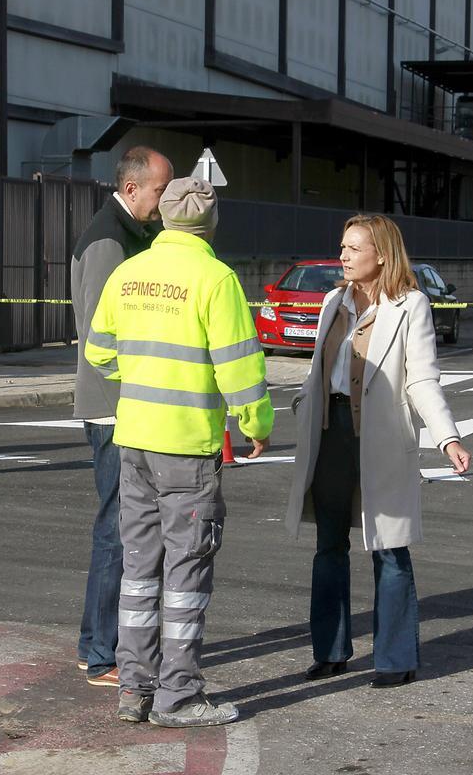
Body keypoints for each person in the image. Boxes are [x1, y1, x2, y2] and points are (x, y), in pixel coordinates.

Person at [85, 177, 273, 728]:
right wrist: (254, 422)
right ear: (210, 226)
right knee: (187, 572)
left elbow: (99, 352)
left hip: (135, 439)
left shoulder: (129, 273)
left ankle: (134, 689)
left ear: (163, 219)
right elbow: (240, 366)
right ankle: (180, 696)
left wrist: (137, 379)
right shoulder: (216, 279)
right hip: (187, 448)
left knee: (140, 568)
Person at [285, 214, 472, 689]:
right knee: (329, 545)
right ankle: (330, 652)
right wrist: (303, 403)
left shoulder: (411, 305)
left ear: (382, 254)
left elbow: (422, 378)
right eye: (342, 246)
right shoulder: (332, 300)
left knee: (389, 548)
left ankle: (395, 657)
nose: (343, 256)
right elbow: (317, 372)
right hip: (329, 433)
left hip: (382, 438)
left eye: (353, 248)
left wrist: (446, 436)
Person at [70, 146, 174, 689]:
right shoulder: (109, 239)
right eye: (160, 190)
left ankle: (97, 643)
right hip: (113, 407)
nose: (165, 200)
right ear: (131, 189)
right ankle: (100, 651)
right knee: (117, 526)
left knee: (119, 524)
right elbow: (101, 336)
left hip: (121, 403)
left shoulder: (129, 231)